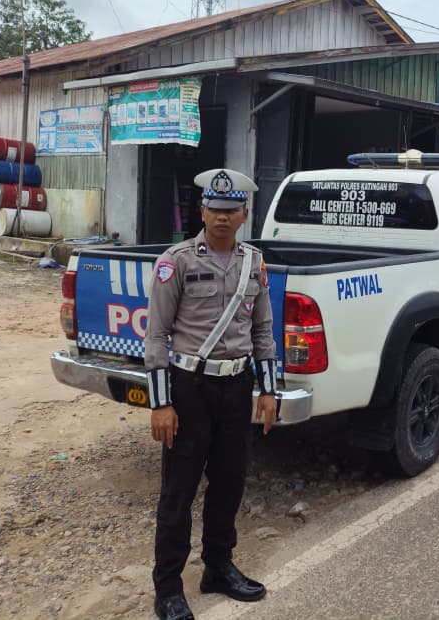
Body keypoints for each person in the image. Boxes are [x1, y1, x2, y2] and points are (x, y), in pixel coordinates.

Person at [144, 168, 278, 620]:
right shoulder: (177, 261)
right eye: (214, 209)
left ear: (244, 214)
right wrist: (161, 403)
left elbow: (262, 330)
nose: (221, 217)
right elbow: (157, 336)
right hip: (189, 387)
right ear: (202, 210)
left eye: (231, 210)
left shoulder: (253, 264)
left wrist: (268, 390)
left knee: (229, 480)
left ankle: (218, 567)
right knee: (178, 491)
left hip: (237, 385)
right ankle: (167, 590)